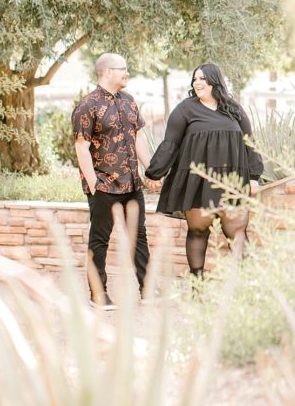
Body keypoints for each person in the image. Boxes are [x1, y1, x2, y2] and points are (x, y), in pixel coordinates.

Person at [145, 62, 263, 278]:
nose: (197, 83)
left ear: (214, 81)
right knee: (198, 232)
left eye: (202, 79)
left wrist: (254, 177)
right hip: (198, 183)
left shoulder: (233, 109)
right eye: (195, 79)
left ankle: (247, 283)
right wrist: (154, 173)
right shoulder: (184, 109)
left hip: (232, 182)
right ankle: (197, 283)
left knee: (236, 233)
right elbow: (171, 144)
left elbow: (249, 142)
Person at [72, 52, 153, 309]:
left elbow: (138, 136)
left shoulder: (129, 101)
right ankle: (98, 296)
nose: (126, 73)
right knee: (100, 240)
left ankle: (149, 290)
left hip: (132, 183)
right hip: (104, 185)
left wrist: (150, 169)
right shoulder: (87, 105)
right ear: (108, 72)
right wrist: (94, 182)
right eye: (123, 69)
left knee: (138, 237)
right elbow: (81, 146)